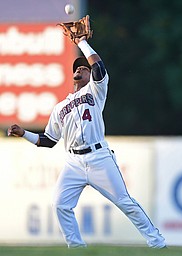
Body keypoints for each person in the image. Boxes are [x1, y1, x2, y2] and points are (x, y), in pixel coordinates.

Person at [7, 17, 166, 249]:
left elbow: (99, 68)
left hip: (99, 157)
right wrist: (24, 133)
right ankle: (77, 249)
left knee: (125, 202)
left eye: (84, 67)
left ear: (90, 76)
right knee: (60, 204)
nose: (80, 69)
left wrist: (81, 42)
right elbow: (48, 141)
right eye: (77, 67)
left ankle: (158, 243)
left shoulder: (96, 90)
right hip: (73, 162)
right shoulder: (59, 108)